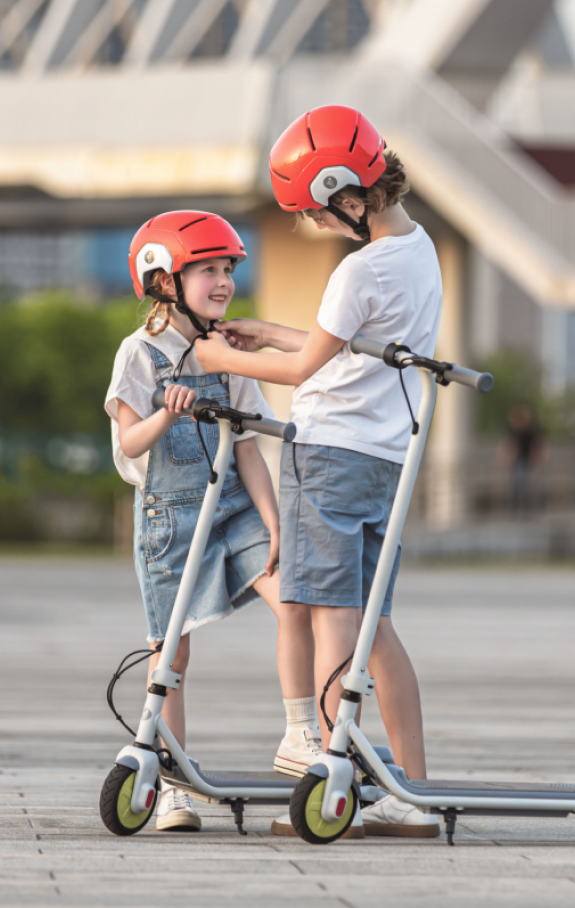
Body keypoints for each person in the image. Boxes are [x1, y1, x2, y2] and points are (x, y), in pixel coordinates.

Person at [195, 106, 441, 838]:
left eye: (317, 214)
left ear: (348, 197)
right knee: (373, 626)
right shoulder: (417, 247)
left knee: (332, 624)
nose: (319, 227)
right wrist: (268, 331)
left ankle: (335, 783)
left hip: (328, 456)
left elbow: (306, 370)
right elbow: (352, 345)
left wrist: (220, 358)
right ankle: (411, 790)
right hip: (385, 457)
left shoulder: (358, 267)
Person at [103, 211, 319, 833]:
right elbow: (131, 441)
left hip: (234, 511)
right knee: (171, 655)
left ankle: (300, 732)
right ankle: (172, 782)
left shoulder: (228, 350)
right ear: (165, 281)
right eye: (208, 270)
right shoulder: (139, 352)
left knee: (296, 599)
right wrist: (167, 415)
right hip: (170, 519)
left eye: (228, 269)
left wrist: (274, 523)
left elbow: (248, 443)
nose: (224, 281)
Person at [498, 403, 546, 514]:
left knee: (524, 483)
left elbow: (537, 444)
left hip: (526, 460)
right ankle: (518, 507)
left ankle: (523, 507)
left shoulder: (530, 429)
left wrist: (538, 457)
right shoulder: (514, 430)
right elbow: (508, 444)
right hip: (518, 460)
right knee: (519, 483)